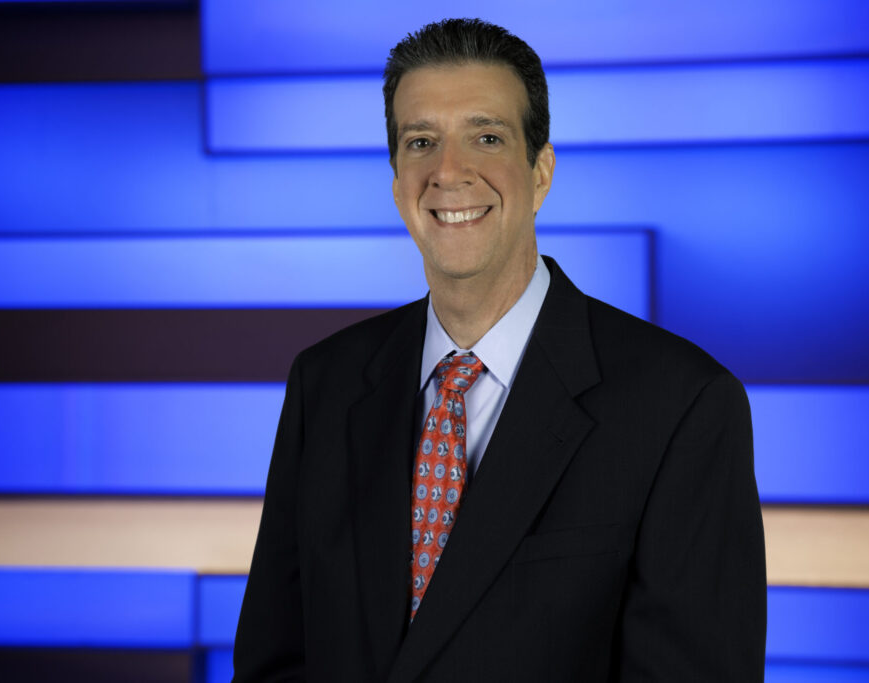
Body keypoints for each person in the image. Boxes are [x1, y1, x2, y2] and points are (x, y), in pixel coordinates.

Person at [233, 18, 766, 682]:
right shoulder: (326, 383)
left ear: (540, 172)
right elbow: (274, 660)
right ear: (396, 177)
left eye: (486, 137)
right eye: (421, 141)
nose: (448, 171)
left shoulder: (681, 405)